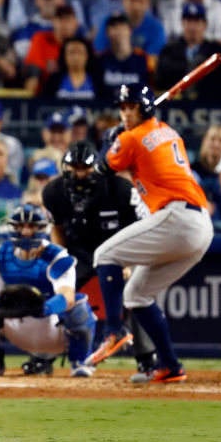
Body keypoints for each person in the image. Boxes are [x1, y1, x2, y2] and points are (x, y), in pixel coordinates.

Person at [89, 83, 213, 384]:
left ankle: (113, 331)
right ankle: (171, 366)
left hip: (177, 218)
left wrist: (110, 142)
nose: (125, 113)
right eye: (122, 108)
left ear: (143, 108)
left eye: (131, 107)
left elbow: (101, 169)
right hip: (199, 226)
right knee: (137, 295)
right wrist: (117, 139)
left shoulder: (133, 137)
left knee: (104, 255)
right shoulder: (167, 131)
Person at [41, 140, 159, 380]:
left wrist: (129, 262)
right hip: (78, 251)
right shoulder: (53, 192)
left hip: (119, 249)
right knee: (55, 291)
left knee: (137, 294)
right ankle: (42, 355)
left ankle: (147, 359)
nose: (79, 173)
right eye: (73, 168)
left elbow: (143, 228)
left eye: (84, 168)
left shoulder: (121, 190)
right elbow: (57, 229)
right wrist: (60, 262)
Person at [0, 204, 96, 378]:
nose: (26, 232)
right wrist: (4, 305)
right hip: (16, 327)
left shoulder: (57, 257)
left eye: (32, 226)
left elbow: (67, 296)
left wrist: (42, 308)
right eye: (21, 226)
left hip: (51, 329)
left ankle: (80, 361)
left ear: (42, 228)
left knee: (80, 306)